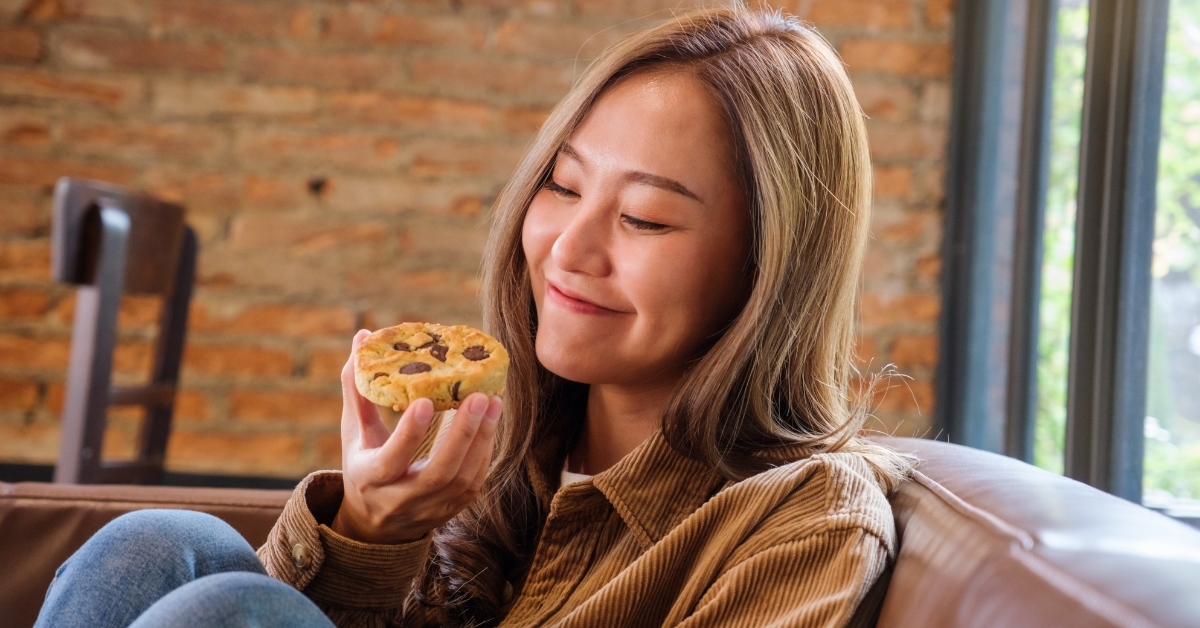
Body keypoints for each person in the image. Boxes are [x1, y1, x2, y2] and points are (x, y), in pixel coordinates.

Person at [35, 5, 911, 627]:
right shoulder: (506, 446)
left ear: (768, 269)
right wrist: (372, 533)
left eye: (644, 217)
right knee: (158, 545)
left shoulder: (807, 520)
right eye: (562, 185)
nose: (567, 248)